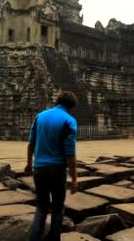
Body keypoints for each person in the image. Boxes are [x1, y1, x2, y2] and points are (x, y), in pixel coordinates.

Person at [25, 91, 79, 241]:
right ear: (72, 106)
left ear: (57, 101)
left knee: (41, 207)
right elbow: (70, 153)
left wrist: (29, 164)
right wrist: (74, 178)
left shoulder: (40, 116)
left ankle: (34, 239)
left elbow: (31, 143)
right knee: (57, 208)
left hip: (39, 169)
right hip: (57, 170)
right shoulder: (69, 120)